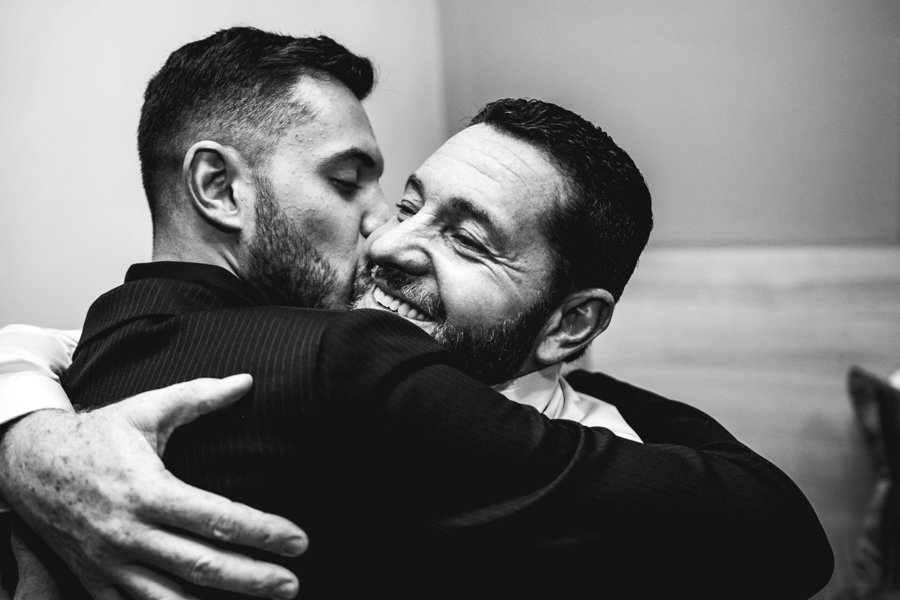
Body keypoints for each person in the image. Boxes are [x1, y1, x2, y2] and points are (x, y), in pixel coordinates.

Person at [0, 26, 832, 599]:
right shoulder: (349, 367)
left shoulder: (102, 356)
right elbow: (782, 537)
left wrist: (23, 432)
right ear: (217, 187)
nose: (384, 234)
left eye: (466, 238)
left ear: (570, 326)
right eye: (393, 198)